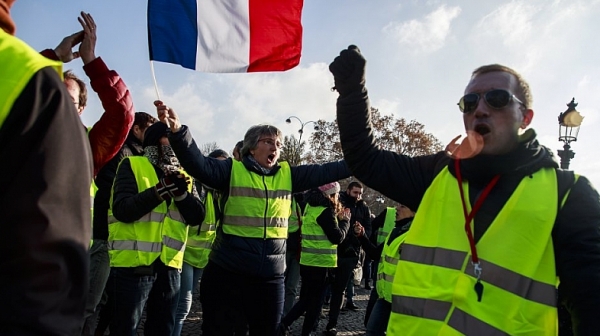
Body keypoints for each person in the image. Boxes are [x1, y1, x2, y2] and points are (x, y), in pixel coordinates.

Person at [329, 45, 600, 335]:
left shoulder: (569, 195)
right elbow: (366, 160)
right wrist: (352, 92)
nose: (480, 109)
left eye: (497, 99)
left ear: (526, 116)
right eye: (469, 102)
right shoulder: (440, 172)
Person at [156, 100, 351, 336]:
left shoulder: (289, 175)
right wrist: (178, 132)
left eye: (278, 144)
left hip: (270, 280)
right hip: (228, 276)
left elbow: (327, 171)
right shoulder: (231, 170)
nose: (275, 147)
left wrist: (361, 161)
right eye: (268, 141)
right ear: (251, 148)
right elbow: (198, 164)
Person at [0, 0, 93, 334]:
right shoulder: (30, 85)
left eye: (72, 99)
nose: (64, 100)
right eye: (61, 93)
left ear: (82, 109)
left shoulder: (91, 139)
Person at [107, 122, 205, 335]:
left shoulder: (185, 174)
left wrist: (181, 195)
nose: (176, 145)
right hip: (133, 265)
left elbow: (197, 216)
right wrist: (159, 191)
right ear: (155, 140)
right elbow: (122, 210)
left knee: (163, 329)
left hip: (169, 266)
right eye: (170, 138)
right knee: (124, 329)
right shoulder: (132, 164)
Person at [82, 112, 157, 335]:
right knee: (91, 300)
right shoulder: (124, 155)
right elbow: (110, 195)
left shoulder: (138, 155)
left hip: (118, 240)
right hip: (108, 236)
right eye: (149, 130)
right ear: (136, 130)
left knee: (105, 299)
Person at [40, 11, 134, 176]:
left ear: (81, 108)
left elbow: (122, 112)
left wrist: (90, 60)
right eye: (55, 95)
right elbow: (13, 86)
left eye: (68, 99)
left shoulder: (90, 144)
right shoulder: (23, 126)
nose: (60, 103)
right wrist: (54, 57)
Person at [280, 182, 351, 336]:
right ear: (331, 194)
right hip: (321, 264)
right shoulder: (326, 212)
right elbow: (337, 238)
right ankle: (285, 326)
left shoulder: (310, 207)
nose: (338, 197)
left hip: (307, 260)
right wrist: (345, 222)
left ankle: (292, 328)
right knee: (313, 303)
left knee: (307, 300)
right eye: (337, 194)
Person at [172, 148, 229, 336]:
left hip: (202, 258)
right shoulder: (198, 187)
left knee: (181, 305)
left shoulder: (219, 193)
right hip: (186, 253)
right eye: (218, 164)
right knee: (183, 305)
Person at [354, 204, 415, 336]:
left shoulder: (417, 236)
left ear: (414, 213)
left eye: (403, 206)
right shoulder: (395, 231)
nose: (397, 208)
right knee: (371, 331)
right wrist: (362, 236)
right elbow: (375, 254)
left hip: (402, 300)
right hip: (384, 296)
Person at [324, 182, 371, 335]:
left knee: (339, 289)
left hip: (351, 253)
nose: (358, 196)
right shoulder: (339, 202)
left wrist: (361, 233)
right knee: (323, 286)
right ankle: (314, 319)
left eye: (360, 193)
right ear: (348, 190)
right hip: (333, 250)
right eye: (355, 192)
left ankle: (332, 323)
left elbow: (368, 229)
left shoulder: (364, 207)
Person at [283, 192, 306, 317]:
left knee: (291, 286)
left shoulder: (305, 203)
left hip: (296, 250)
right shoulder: (288, 200)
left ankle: (285, 319)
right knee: (287, 286)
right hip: (285, 248)